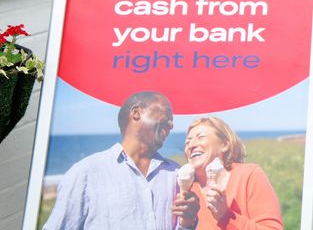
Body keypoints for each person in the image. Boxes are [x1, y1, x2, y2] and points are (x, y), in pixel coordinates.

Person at [42, 91, 199, 230]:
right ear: (136, 113)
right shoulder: (86, 173)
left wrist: (188, 222)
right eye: (166, 114)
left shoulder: (174, 173)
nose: (171, 125)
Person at [181, 116, 283, 230]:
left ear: (224, 145)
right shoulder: (188, 193)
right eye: (187, 142)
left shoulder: (249, 176)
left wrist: (226, 216)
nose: (191, 145)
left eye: (201, 137)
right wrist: (186, 224)